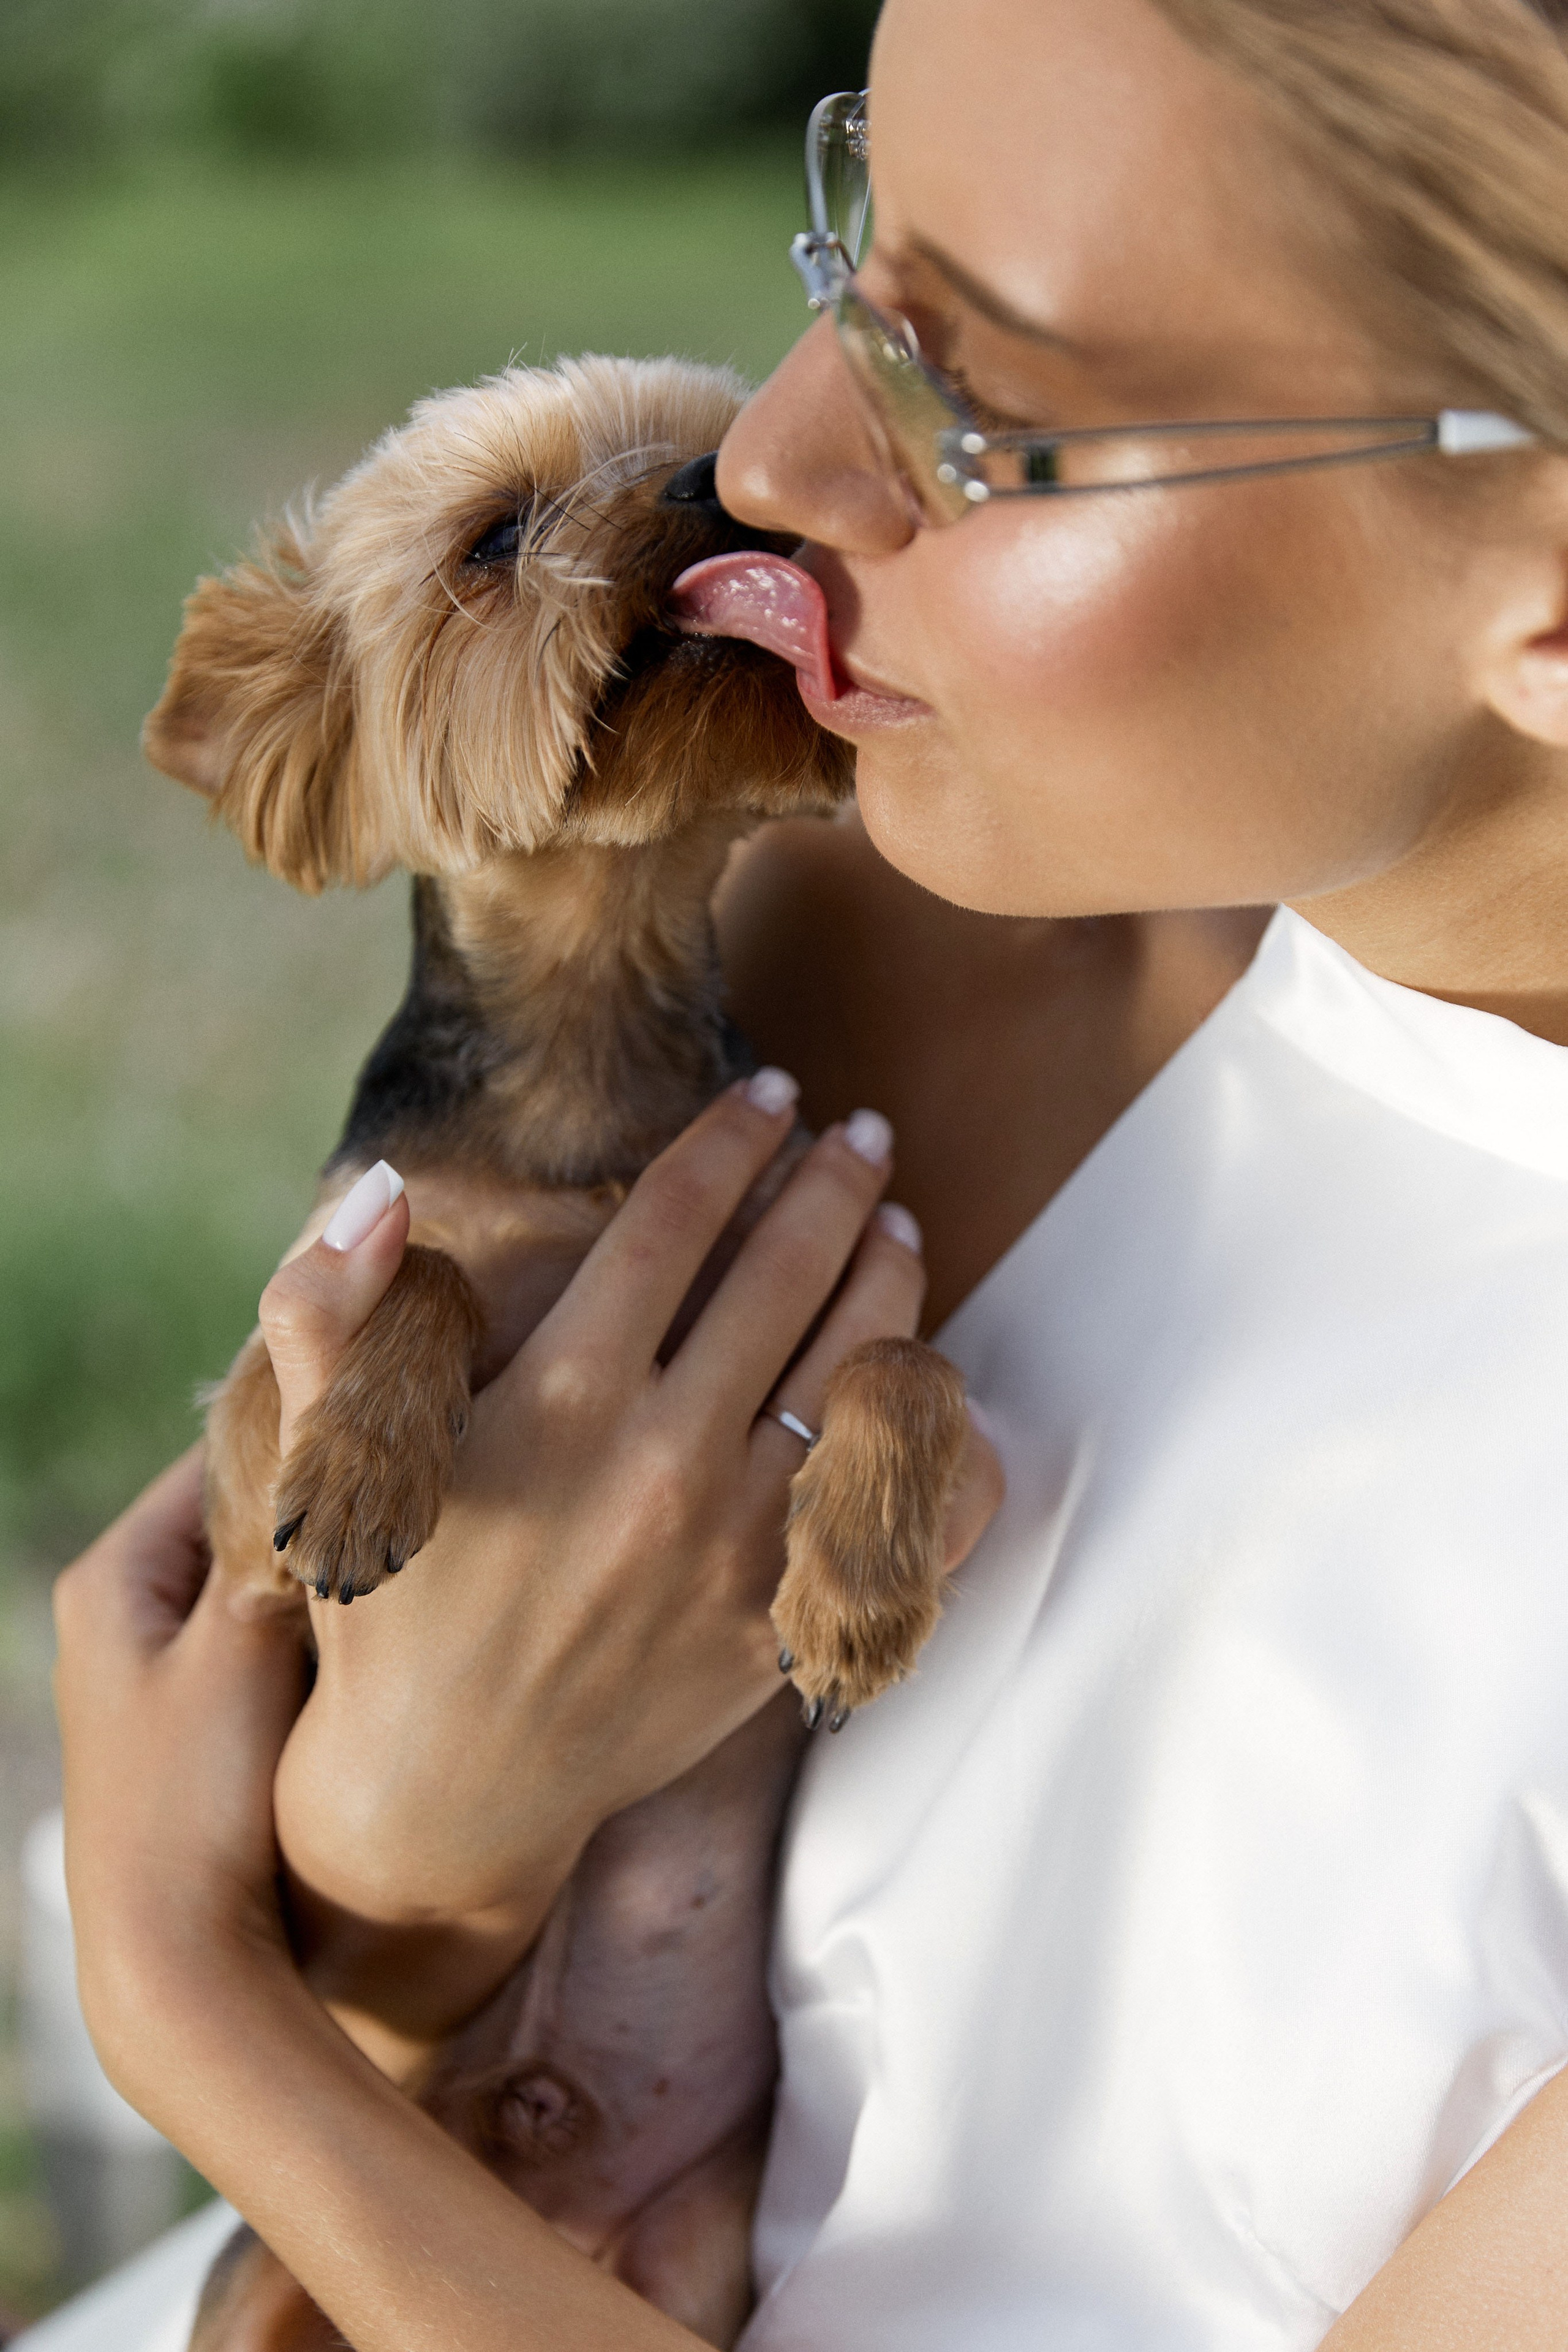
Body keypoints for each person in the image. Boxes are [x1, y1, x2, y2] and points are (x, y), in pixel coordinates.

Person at [49, 0, 1568, 2344]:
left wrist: (193, 2002)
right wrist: (399, 1849)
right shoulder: (912, 934)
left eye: (986, 397)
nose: (762, 454)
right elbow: (433, 2010)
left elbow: (299, 2046)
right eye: (851, 255)